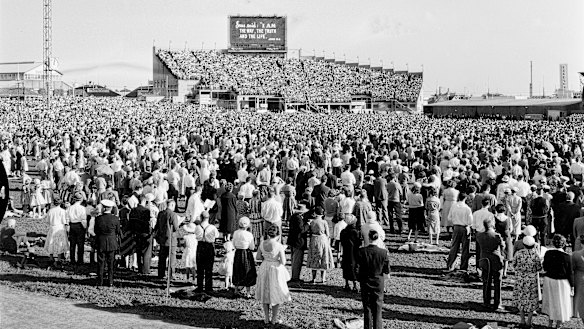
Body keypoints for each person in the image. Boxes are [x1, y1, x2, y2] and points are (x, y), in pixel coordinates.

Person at [255, 224, 291, 326]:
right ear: (278, 235)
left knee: (265, 291)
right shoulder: (279, 246)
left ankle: (266, 318)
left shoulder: (262, 243)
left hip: (265, 266)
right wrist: (276, 259)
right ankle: (274, 319)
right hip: (275, 269)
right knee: (276, 291)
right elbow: (283, 262)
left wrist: (266, 259)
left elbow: (258, 257)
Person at [358, 230, 390, 329]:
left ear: (369, 237)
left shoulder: (362, 251)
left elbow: (358, 268)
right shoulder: (383, 253)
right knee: (378, 309)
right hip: (378, 281)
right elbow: (387, 270)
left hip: (365, 281)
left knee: (367, 308)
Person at [542, 234, 574, 328]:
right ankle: (558, 324)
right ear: (564, 244)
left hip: (549, 280)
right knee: (561, 303)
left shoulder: (548, 253)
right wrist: (572, 285)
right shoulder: (567, 257)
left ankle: (550, 323)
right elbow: (570, 273)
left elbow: (545, 267)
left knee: (551, 301)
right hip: (562, 282)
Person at [512, 235, 542, 328]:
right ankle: (529, 321)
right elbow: (539, 268)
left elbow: (514, 264)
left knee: (520, 298)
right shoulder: (535, 255)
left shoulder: (518, 253)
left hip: (520, 278)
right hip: (531, 280)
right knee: (531, 300)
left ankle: (522, 320)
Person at [476, 217, 505, 311]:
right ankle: (497, 303)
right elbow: (503, 247)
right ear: (492, 224)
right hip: (496, 260)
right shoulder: (497, 236)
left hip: (484, 259)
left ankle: (486, 301)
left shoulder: (479, 235)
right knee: (497, 282)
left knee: (486, 281)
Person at [94, 199, 121, 287]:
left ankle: (100, 281)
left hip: (101, 241)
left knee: (100, 262)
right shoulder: (115, 219)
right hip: (112, 242)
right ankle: (110, 281)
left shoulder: (98, 219)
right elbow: (117, 231)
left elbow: (96, 231)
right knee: (111, 263)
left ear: (103, 208)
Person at [446, 192, 473, 272]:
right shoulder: (467, 208)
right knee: (465, 248)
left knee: (454, 246)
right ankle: (463, 266)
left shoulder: (454, 206)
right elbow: (470, 221)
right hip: (465, 227)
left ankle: (450, 265)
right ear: (465, 199)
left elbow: (449, 218)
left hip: (456, 227)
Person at [307, 207, 334, 283]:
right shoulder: (324, 222)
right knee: (323, 257)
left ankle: (314, 278)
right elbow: (328, 234)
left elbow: (310, 232)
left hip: (314, 239)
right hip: (322, 239)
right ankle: (323, 278)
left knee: (314, 257)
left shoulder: (312, 222)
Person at [154, 199, 180, 280]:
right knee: (171, 258)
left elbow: (157, 226)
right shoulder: (173, 215)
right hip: (171, 239)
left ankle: (161, 274)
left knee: (162, 258)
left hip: (162, 239)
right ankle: (171, 274)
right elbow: (176, 228)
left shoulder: (161, 213)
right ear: (172, 205)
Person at [232, 216, 257, 298]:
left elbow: (233, 244)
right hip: (246, 253)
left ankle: (236, 289)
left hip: (238, 252)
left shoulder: (235, 233)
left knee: (237, 270)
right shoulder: (249, 234)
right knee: (247, 271)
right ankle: (248, 292)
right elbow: (252, 247)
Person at [195, 211, 219, 293]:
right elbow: (217, 236)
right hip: (209, 246)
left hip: (200, 246)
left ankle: (200, 286)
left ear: (201, 218)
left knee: (200, 268)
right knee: (209, 268)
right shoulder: (212, 227)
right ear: (208, 218)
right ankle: (208, 287)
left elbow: (196, 236)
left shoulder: (197, 227)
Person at [129, 194, 153, 275]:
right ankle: (145, 269)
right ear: (144, 201)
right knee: (146, 252)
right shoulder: (146, 211)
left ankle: (140, 267)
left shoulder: (133, 210)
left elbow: (131, 222)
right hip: (145, 233)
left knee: (138, 251)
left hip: (136, 233)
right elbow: (148, 222)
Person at [287, 204, 310, 282]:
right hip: (298, 241)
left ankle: (294, 276)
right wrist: (308, 224)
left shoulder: (293, 217)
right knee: (297, 260)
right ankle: (295, 277)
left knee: (294, 259)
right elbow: (301, 230)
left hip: (293, 240)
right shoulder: (298, 218)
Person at [44, 198, 69, 267]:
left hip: (53, 227)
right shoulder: (62, 211)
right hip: (60, 227)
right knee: (59, 242)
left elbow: (47, 221)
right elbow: (64, 221)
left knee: (51, 241)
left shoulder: (50, 211)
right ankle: (59, 257)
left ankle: (51, 256)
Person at [340, 214, 361, 291]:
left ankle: (346, 284)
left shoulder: (343, 231)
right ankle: (355, 285)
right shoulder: (355, 232)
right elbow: (358, 243)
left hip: (346, 252)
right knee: (354, 267)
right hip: (354, 252)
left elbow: (341, 242)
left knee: (345, 267)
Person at [66, 192, 87, 267]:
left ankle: (72, 259)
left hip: (72, 225)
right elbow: (83, 219)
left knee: (72, 244)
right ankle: (80, 260)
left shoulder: (70, 208)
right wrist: (85, 228)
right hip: (79, 225)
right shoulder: (82, 208)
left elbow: (67, 218)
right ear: (81, 200)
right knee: (80, 244)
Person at [493, 204, 513, 278]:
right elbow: (511, 229)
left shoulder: (495, 218)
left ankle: (498, 271)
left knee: (497, 254)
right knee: (506, 256)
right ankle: (505, 272)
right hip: (506, 236)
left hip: (497, 236)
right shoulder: (508, 219)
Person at [572, 234, 584, 320]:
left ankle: (576, 312)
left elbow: (572, 268)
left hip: (579, 275)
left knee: (578, 294)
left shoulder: (575, 254)